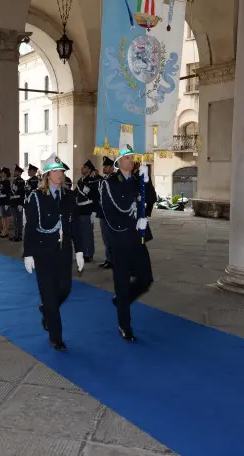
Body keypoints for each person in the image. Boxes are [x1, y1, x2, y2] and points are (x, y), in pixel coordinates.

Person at [23, 153, 84, 351]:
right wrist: (28, 253)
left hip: (63, 252)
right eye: (56, 171)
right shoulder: (37, 197)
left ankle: (47, 310)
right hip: (43, 252)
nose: (60, 174)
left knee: (65, 289)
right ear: (48, 175)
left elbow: (75, 226)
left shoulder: (69, 196)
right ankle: (56, 336)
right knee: (49, 295)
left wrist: (80, 251)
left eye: (62, 171)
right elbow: (30, 226)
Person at [99, 144, 156, 341]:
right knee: (122, 284)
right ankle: (125, 325)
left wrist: (147, 182)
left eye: (132, 157)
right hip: (120, 240)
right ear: (119, 162)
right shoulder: (110, 183)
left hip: (138, 239)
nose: (131, 160)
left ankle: (122, 300)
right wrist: (130, 222)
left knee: (146, 279)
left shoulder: (138, 180)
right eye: (127, 158)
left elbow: (151, 199)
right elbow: (109, 211)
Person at [75, 159, 100, 263]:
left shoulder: (93, 181)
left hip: (88, 210)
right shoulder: (80, 181)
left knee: (88, 234)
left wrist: (94, 211)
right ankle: (82, 253)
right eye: (83, 167)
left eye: (85, 167)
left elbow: (95, 196)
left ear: (89, 170)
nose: (82, 168)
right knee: (80, 234)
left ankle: (89, 254)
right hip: (79, 210)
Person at [96, 156, 115, 269]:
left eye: (106, 166)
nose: (104, 168)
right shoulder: (104, 179)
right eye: (104, 166)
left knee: (111, 238)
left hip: (110, 214)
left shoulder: (114, 179)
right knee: (105, 238)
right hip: (103, 213)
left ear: (112, 167)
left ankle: (113, 259)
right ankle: (108, 258)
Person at [10, 165, 27, 242]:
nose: (14, 172)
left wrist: (21, 204)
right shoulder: (15, 180)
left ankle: (19, 235)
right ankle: (16, 234)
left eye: (15, 171)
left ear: (19, 172)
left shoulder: (21, 181)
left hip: (18, 203)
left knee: (19, 220)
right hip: (13, 202)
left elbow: (22, 193)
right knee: (15, 220)